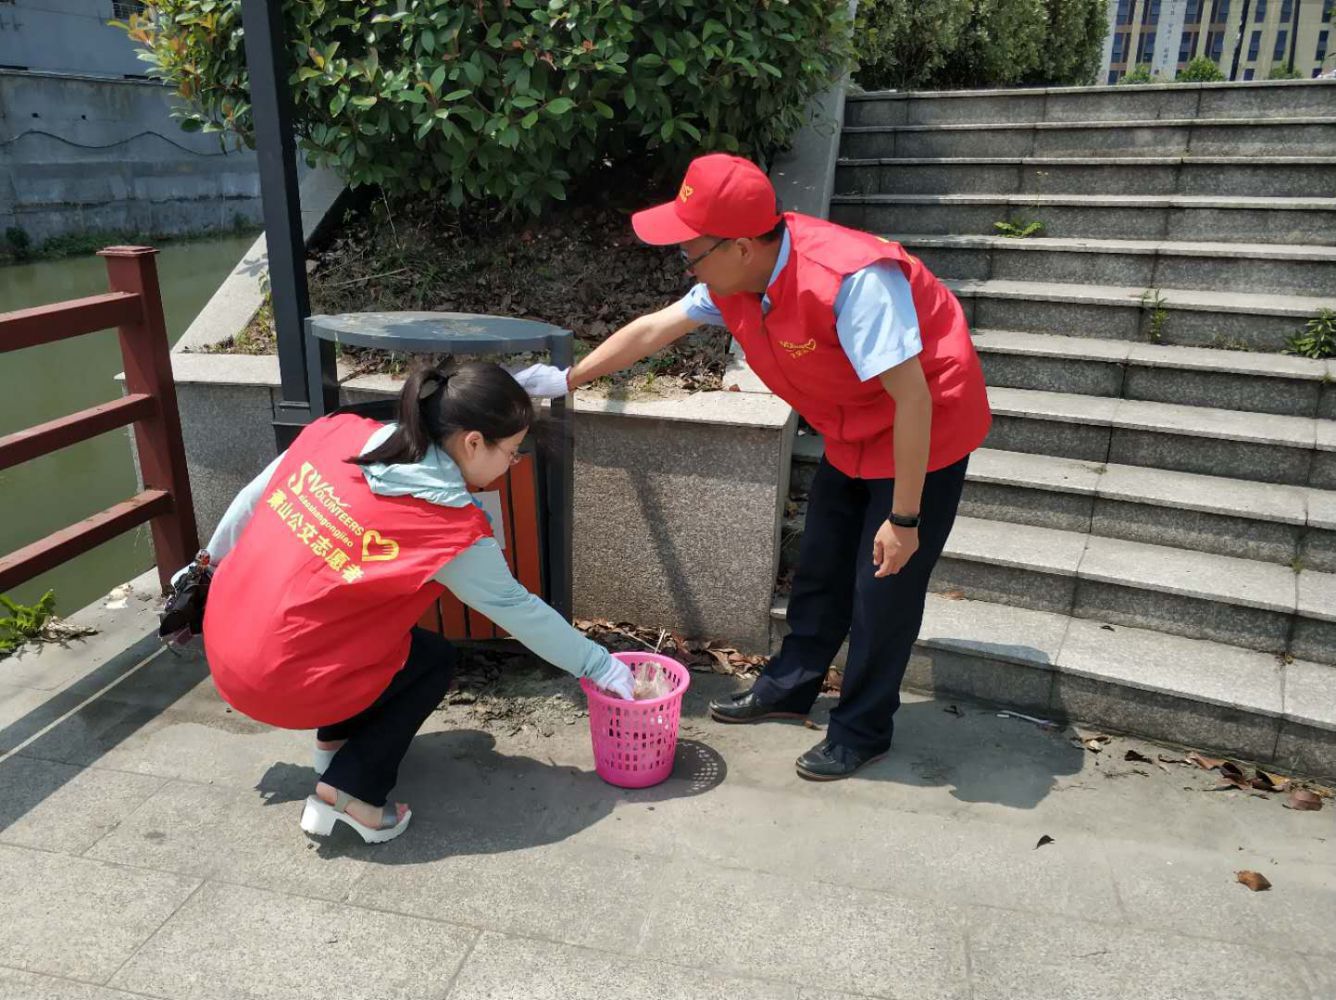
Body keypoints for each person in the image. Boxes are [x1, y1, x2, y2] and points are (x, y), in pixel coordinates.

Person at [514, 153, 991, 781]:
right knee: (820, 566)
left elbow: (913, 401)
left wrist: (904, 519)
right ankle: (790, 687)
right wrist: (567, 379)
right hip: (851, 430)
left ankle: (862, 729)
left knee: (883, 591)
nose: (687, 262)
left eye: (691, 250)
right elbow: (656, 329)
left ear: (740, 247)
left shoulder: (853, 282)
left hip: (923, 434)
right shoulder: (736, 279)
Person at [197, 362, 634, 843]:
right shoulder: (448, 528)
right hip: (277, 683)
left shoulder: (337, 434)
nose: (512, 464)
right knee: (431, 662)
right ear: (473, 442)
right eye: (511, 452)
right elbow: (519, 611)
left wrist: (205, 566)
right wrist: (600, 665)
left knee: (365, 626)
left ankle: (335, 742)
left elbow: (251, 499)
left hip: (223, 638)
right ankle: (351, 794)